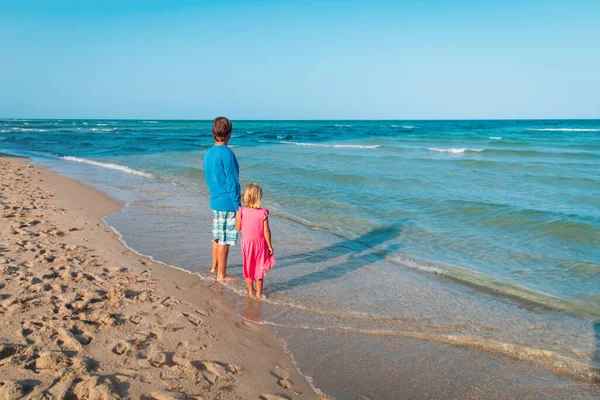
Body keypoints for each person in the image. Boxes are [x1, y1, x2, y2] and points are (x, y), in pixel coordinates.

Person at [204, 117, 241, 281]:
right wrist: (238, 207)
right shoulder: (227, 153)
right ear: (229, 133)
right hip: (227, 202)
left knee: (217, 236)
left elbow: (209, 177)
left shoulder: (209, 153)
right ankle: (221, 274)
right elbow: (232, 182)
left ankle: (214, 267)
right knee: (224, 240)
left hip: (215, 199)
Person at [235, 183, 275, 298]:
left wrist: (238, 216)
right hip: (260, 245)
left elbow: (238, 228)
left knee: (248, 267)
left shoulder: (241, 211)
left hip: (247, 244)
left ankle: (250, 291)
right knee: (259, 269)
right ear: (259, 198)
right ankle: (259, 294)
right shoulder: (263, 213)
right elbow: (267, 231)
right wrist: (270, 245)